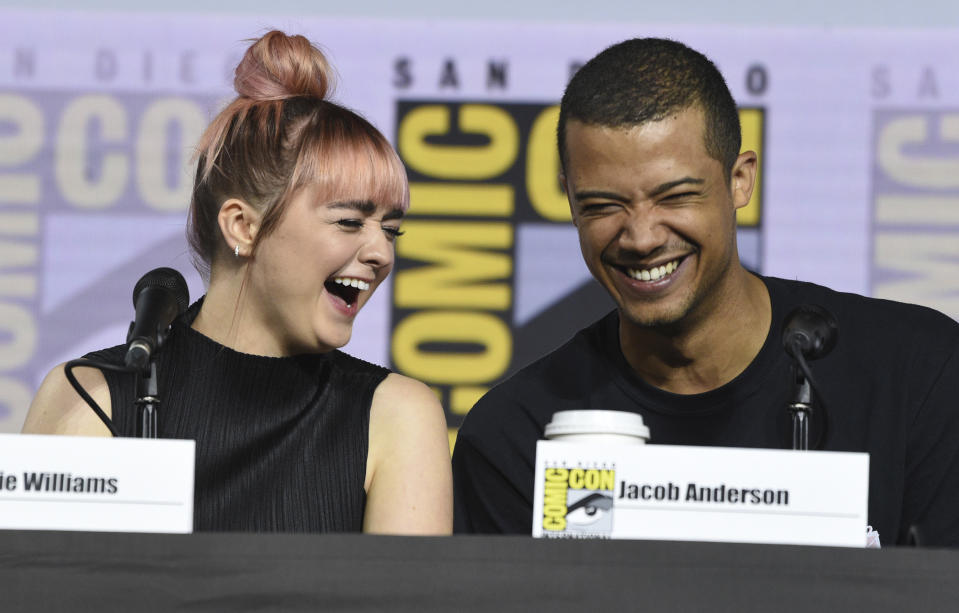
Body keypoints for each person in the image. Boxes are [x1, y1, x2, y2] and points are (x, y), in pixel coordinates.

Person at [451, 38, 959, 546]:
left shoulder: (920, 374)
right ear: (571, 204)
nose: (642, 237)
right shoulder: (515, 437)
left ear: (740, 181)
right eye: (603, 205)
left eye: (675, 196)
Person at [23, 31, 452, 535]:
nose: (381, 252)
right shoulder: (88, 394)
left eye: (391, 229)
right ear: (242, 226)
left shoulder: (396, 416)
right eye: (349, 222)